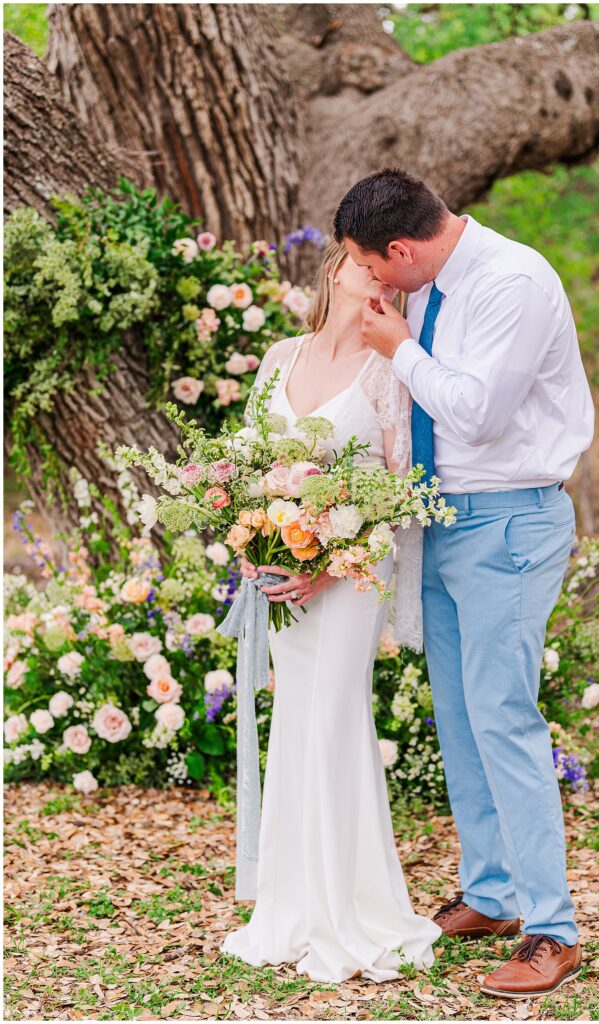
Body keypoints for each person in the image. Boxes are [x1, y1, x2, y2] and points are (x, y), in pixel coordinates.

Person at [334, 167, 594, 1000]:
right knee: (461, 714)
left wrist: (396, 348)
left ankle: (553, 929)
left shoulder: (512, 280)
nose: (372, 281)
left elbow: (477, 414)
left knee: (504, 717)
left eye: (372, 266)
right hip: (443, 523)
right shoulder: (440, 285)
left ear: (402, 249)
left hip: (509, 522)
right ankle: (492, 894)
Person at [219, 239, 441, 983]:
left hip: (350, 576)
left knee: (336, 715)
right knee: (295, 716)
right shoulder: (282, 356)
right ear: (335, 267)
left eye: (386, 264)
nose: (374, 269)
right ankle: (289, 904)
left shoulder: (389, 369)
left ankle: (352, 908)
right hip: (282, 568)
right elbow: (247, 468)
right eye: (360, 257)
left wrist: (328, 564)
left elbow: (399, 492)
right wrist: (250, 542)